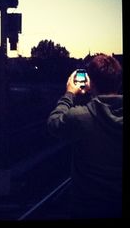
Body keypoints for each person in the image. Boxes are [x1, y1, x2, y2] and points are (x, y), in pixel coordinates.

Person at [47, 53, 123, 219]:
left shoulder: (80, 117)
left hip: (86, 208)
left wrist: (69, 94)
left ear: (90, 83)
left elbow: (54, 123)